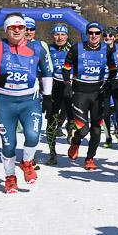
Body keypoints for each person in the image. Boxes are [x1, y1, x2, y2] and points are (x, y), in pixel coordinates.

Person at [0, 14, 53, 192]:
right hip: (5, 102)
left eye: (20, 27)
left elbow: (46, 73)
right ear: (6, 30)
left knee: (33, 136)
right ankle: (10, 176)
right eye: (12, 28)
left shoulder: (37, 48)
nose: (17, 30)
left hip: (29, 101)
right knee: (9, 144)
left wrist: (48, 96)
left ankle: (27, 162)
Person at [63, 22, 117, 169]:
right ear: (87, 34)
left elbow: (113, 69)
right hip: (80, 93)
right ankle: (75, 141)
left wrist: (108, 83)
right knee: (83, 130)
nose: (94, 35)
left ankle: (89, 158)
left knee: (96, 130)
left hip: (97, 94)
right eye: (91, 33)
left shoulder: (106, 49)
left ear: (100, 34)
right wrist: (67, 84)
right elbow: (66, 68)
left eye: (97, 33)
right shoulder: (76, 48)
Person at [42, 23, 72, 166]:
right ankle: (52, 153)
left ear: (67, 36)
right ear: (53, 35)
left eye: (63, 35)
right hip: (54, 87)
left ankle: (72, 136)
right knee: (51, 121)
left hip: (70, 87)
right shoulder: (48, 49)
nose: (59, 37)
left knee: (73, 120)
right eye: (56, 34)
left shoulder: (74, 49)